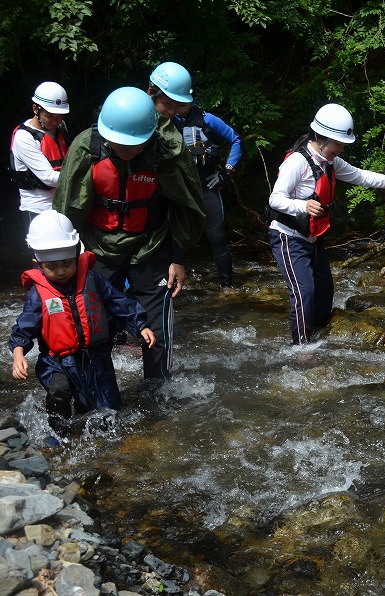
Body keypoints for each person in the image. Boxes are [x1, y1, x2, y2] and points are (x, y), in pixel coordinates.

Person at [53, 86, 206, 379]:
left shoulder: (166, 152)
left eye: (132, 145)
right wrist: (66, 260)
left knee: (157, 329)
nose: (124, 150)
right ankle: (98, 394)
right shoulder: (87, 147)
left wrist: (178, 256)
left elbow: (186, 205)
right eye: (118, 144)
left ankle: (157, 394)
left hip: (151, 246)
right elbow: (66, 209)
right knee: (95, 327)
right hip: (99, 250)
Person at [267, 103, 385, 345]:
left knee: (325, 288)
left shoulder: (331, 163)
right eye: (338, 143)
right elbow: (275, 199)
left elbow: (363, 176)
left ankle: (317, 334)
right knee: (304, 292)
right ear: (321, 137)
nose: (341, 148)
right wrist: (303, 206)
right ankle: (300, 347)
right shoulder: (297, 162)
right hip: (288, 236)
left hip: (313, 237)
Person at [9, 210, 156, 437]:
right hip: (57, 360)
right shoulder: (39, 293)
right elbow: (25, 324)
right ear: (37, 264)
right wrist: (18, 353)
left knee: (108, 410)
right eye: (52, 266)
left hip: (96, 356)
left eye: (67, 263)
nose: (60, 271)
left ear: (77, 255)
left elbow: (117, 301)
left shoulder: (91, 278)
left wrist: (140, 325)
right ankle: (58, 435)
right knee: (60, 391)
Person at [171, 83, 244, 289]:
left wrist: (226, 171)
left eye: (187, 101)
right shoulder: (167, 121)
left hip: (207, 184)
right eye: (180, 102)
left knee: (217, 237)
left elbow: (236, 139)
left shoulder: (207, 119)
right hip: (181, 185)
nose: (183, 105)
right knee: (175, 237)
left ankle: (227, 287)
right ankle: (171, 287)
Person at [10, 82, 71, 225]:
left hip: (62, 203)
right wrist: (84, 175)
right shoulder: (24, 137)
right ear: (35, 109)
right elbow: (49, 178)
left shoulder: (61, 127)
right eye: (50, 116)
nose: (56, 121)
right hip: (38, 209)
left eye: (60, 116)